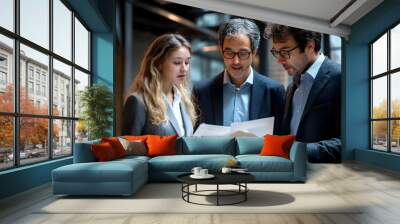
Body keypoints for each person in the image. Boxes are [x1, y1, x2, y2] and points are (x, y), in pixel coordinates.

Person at [193, 18, 285, 133]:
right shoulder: (202, 91)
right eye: (229, 53)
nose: (235, 61)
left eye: (242, 53)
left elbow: (280, 139)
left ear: (254, 52)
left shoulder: (274, 91)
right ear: (221, 52)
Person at [265, 25, 341, 163]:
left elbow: (350, 142)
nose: (279, 60)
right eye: (276, 52)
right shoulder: (291, 88)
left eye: (285, 52)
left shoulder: (342, 78)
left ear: (310, 46)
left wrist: (300, 150)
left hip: (326, 177)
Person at [122, 34, 197, 136]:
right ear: (159, 63)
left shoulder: (184, 100)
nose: (184, 69)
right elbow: (128, 150)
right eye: (177, 62)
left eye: (187, 62)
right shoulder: (138, 102)